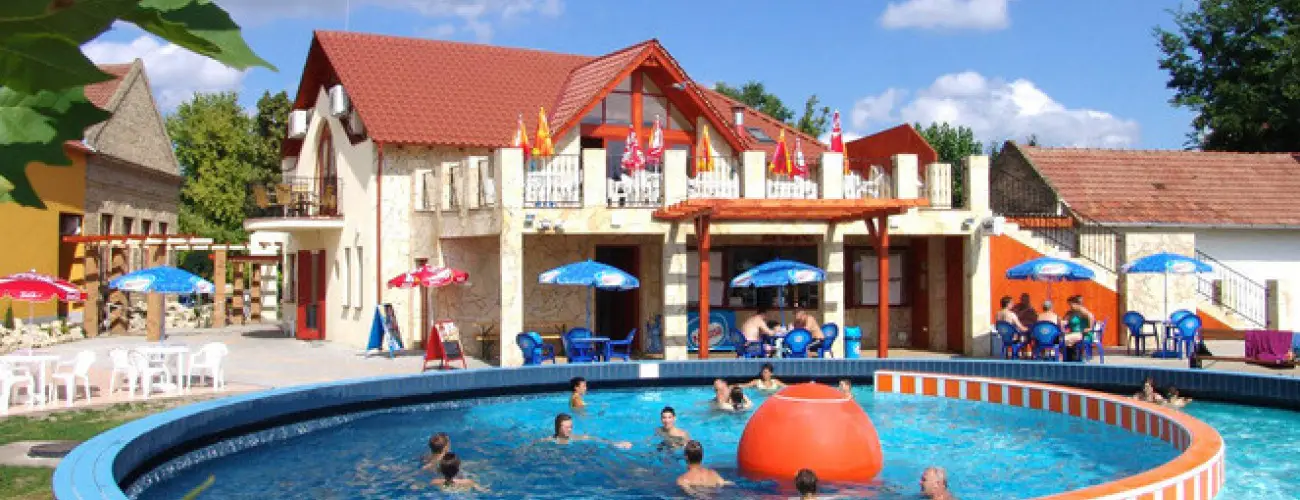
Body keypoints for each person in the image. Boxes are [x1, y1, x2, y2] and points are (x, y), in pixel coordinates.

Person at [550, 413, 632, 449]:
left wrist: (616, 443)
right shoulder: (551, 440)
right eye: (566, 427)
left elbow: (594, 438)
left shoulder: (574, 438)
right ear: (558, 427)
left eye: (571, 427)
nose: (570, 430)